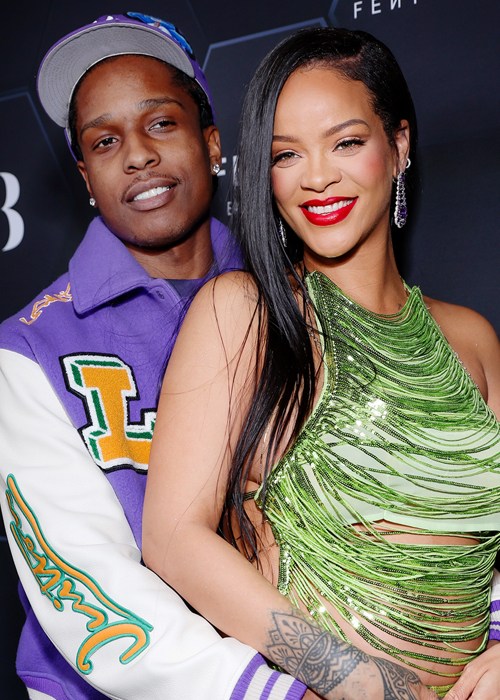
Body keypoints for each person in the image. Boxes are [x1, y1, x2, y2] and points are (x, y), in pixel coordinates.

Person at [142, 26, 500, 700]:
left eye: (346, 142)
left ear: (398, 146)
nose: (316, 177)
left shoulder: (472, 339)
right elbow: (172, 539)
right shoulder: (241, 311)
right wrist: (353, 679)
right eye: (286, 154)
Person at [0, 11, 314, 700]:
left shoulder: (301, 300)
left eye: (161, 123)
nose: (138, 155)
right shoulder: (28, 349)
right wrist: (273, 690)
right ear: (86, 176)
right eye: (105, 141)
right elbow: (83, 579)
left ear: (211, 141)